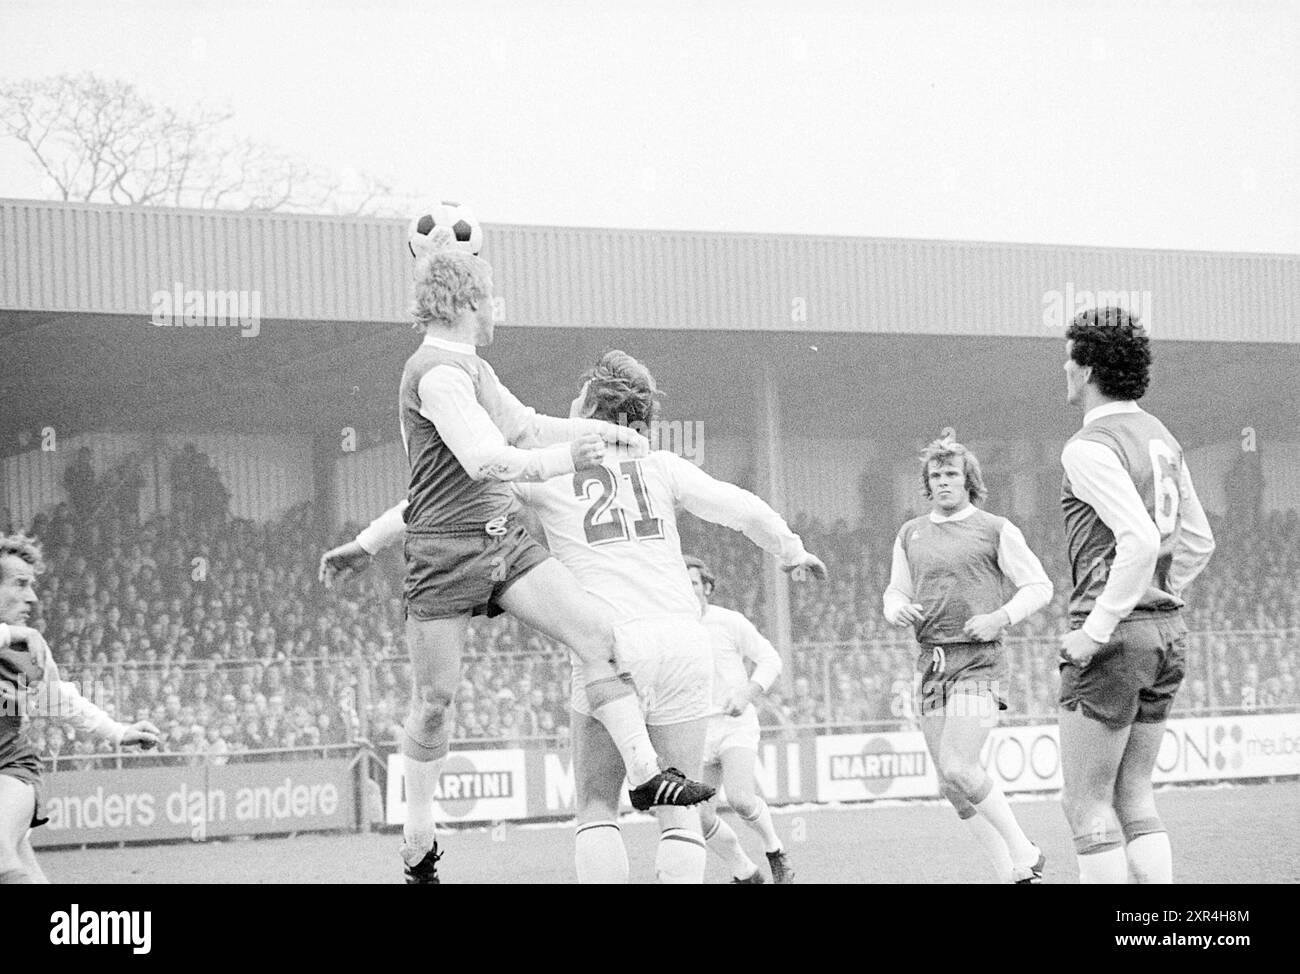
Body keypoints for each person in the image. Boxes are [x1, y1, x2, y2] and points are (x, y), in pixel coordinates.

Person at [336, 350, 826, 882]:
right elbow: (741, 507)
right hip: (686, 642)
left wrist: (366, 544)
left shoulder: (552, 471)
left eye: (578, 399)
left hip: (611, 649)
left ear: (590, 409)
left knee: (596, 805)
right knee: (679, 812)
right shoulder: (662, 467)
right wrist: (792, 551)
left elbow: (442, 506)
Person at [318, 244, 714, 883]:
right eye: (490, 293)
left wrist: (604, 437)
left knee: (597, 634)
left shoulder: (473, 367)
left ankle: (646, 777)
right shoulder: (437, 375)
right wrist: (369, 545)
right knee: (436, 701)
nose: (496, 305)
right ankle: (418, 839)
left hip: (502, 541)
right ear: (468, 299)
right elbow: (487, 460)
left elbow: (526, 427)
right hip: (444, 552)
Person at [1056, 307, 1215, 884]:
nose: (1065, 368)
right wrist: (1161, 598)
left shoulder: (1088, 445)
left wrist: (1096, 629)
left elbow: (1140, 539)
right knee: (1135, 796)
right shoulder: (1162, 439)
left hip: (1116, 638)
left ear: (1089, 367)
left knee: (1085, 804)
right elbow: (1198, 541)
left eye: (1070, 357)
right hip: (1166, 631)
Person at [883, 431, 1054, 883]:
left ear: (968, 480)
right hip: (932, 662)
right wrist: (896, 608)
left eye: (951, 474)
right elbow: (895, 590)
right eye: (935, 475)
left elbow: (1039, 586)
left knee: (960, 766)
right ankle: (1013, 875)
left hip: (979, 660)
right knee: (950, 786)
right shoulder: (910, 533)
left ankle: (1025, 849)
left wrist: (1000, 616)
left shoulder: (995, 528)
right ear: (927, 483)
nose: (943, 481)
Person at [0, 533, 159, 884]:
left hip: (8, 769)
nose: (32, 596)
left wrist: (118, 731)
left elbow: (58, 700)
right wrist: (10, 635)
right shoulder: (20, 639)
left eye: (32, 585)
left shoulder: (30, 649)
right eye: (20, 584)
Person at [686, 555, 797, 884]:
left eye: (692, 583)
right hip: (695, 729)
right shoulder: (669, 628)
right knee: (699, 816)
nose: (685, 590)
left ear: (706, 588)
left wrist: (746, 694)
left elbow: (769, 659)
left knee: (739, 798)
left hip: (734, 723)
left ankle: (775, 851)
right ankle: (746, 873)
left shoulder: (728, 622)